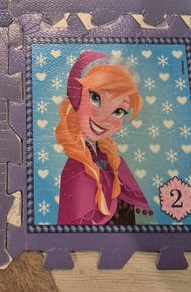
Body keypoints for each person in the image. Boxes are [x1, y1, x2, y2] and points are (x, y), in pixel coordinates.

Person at [55, 51, 152, 225]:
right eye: (95, 98)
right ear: (77, 96)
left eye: (118, 111)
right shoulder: (75, 168)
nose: (105, 119)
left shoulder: (111, 156)